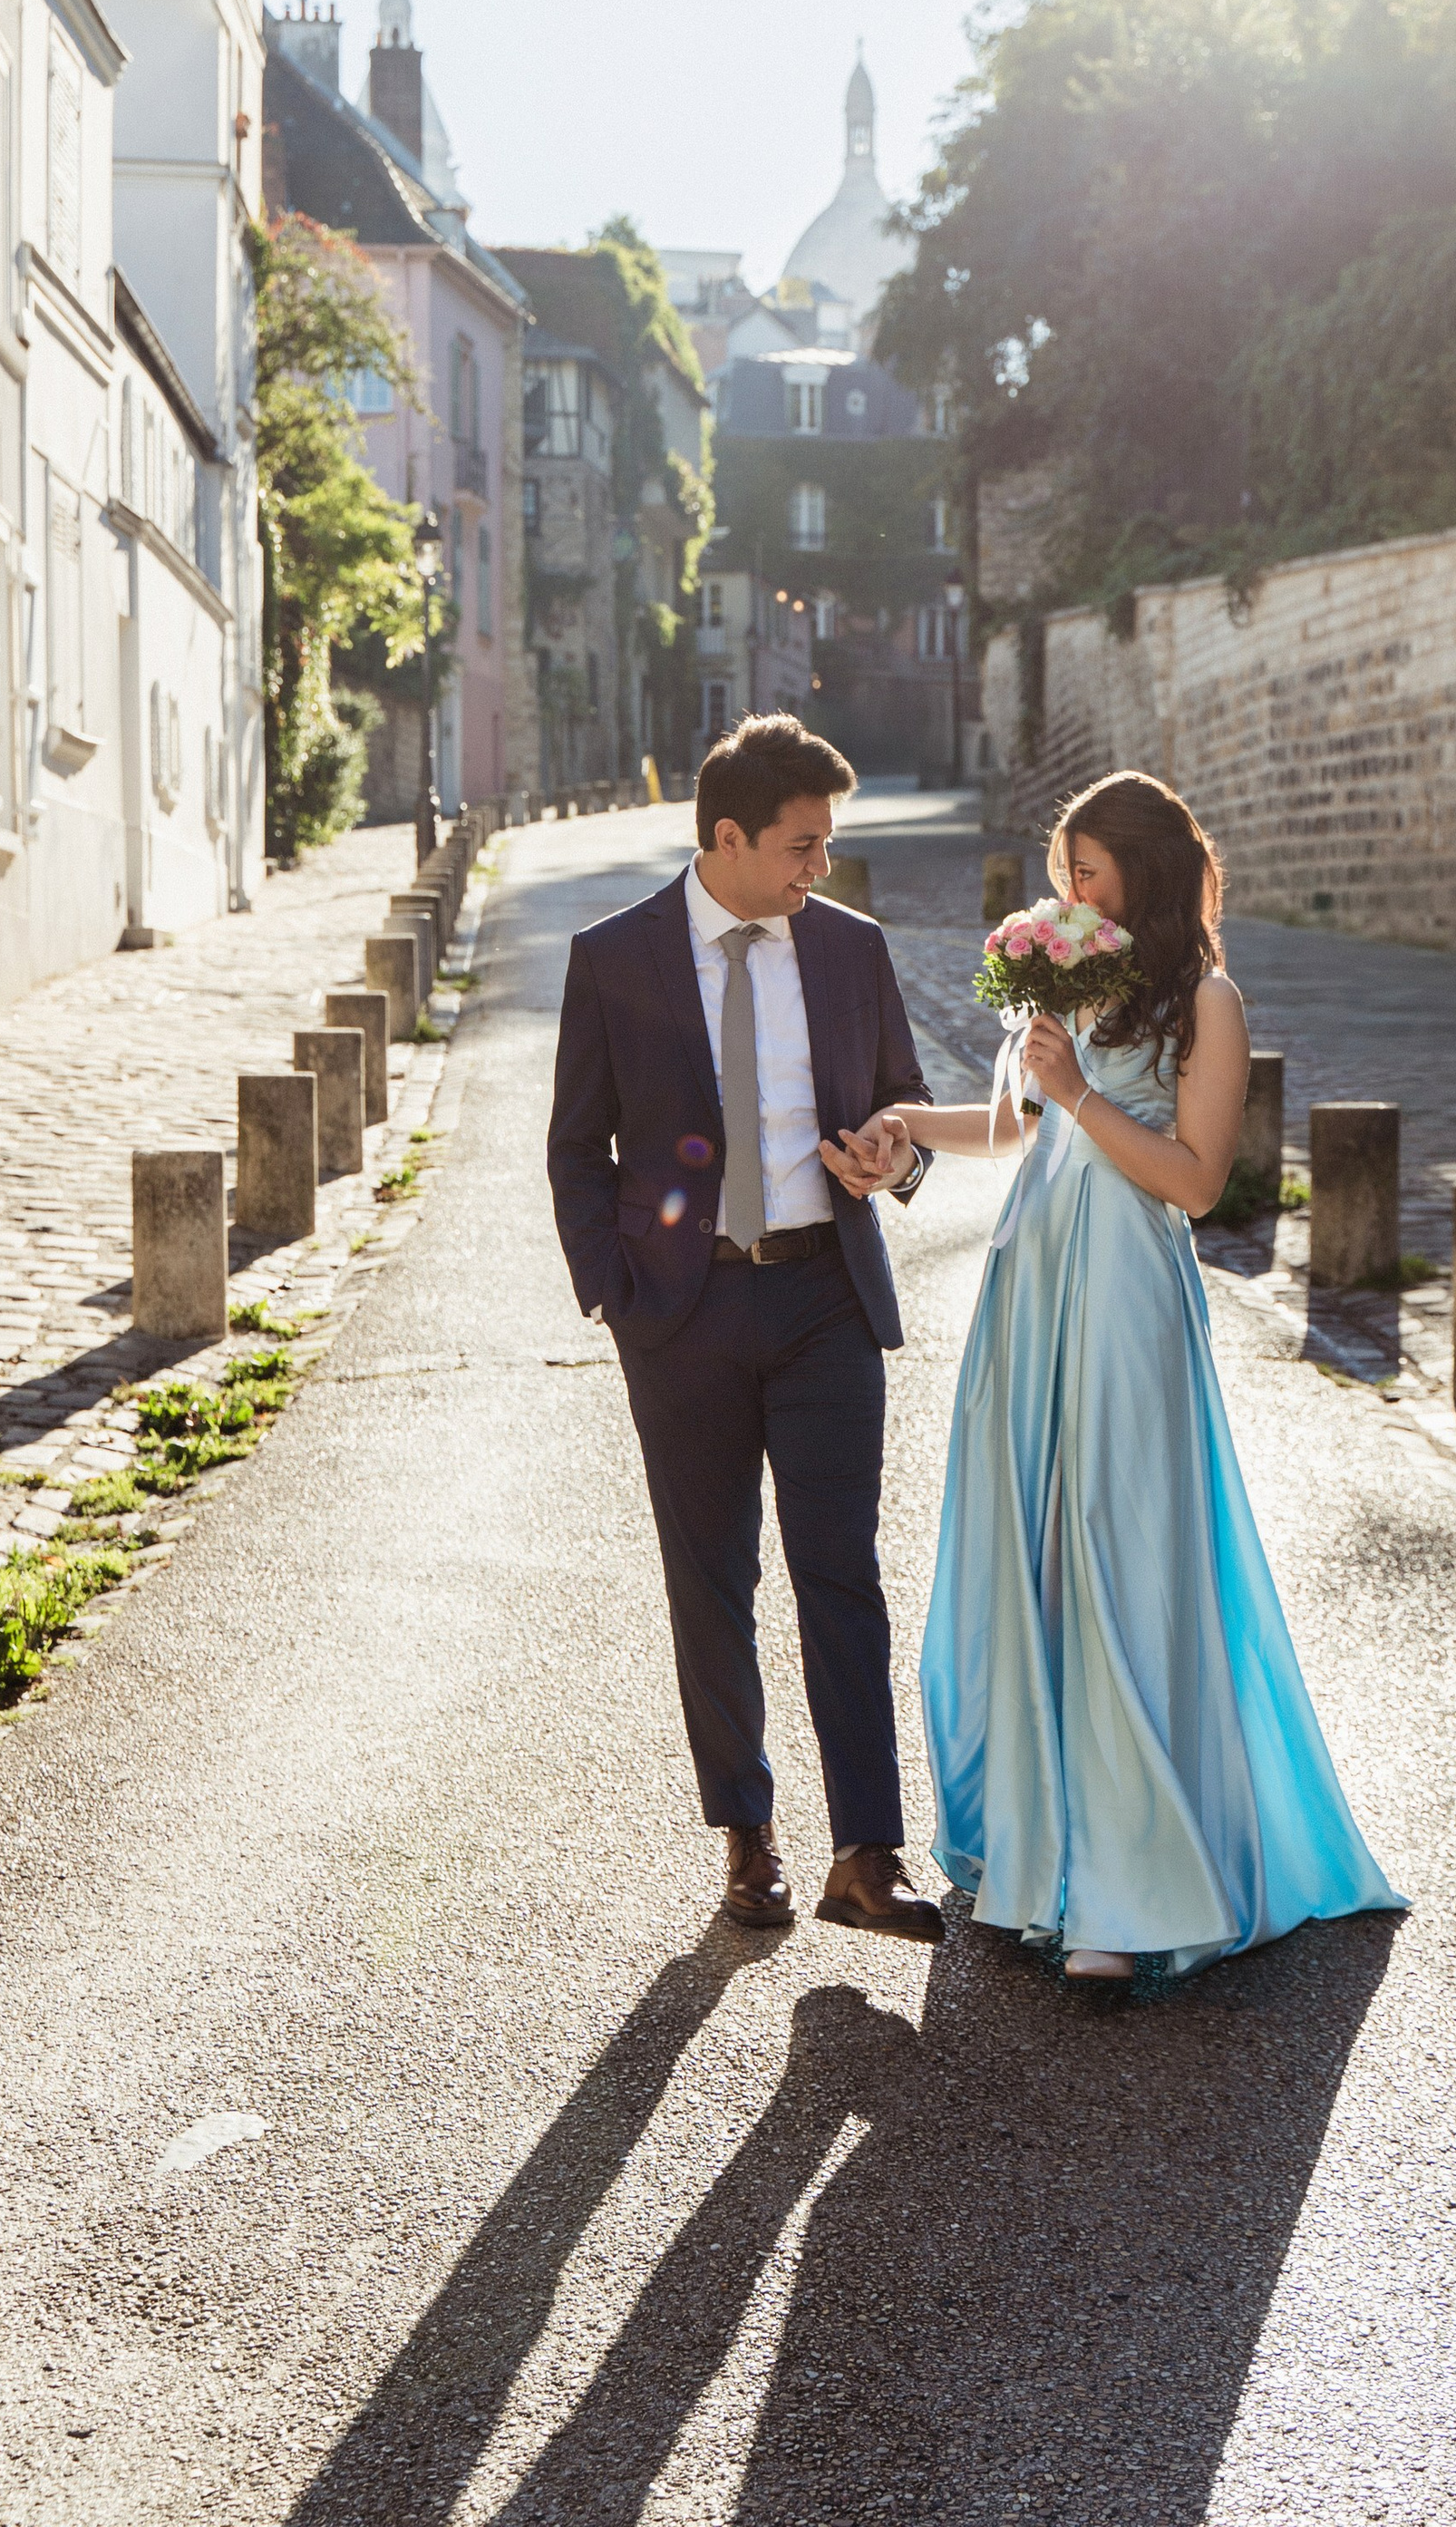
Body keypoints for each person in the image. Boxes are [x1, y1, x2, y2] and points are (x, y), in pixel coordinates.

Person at [891, 769, 1403, 1982]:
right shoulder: (1078, 981)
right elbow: (1022, 1126)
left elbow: (1192, 1179)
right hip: (1034, 1283)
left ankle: (1129, 1896)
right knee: (1036, 1553)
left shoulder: (1205, 1000)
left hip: (1123, 1291)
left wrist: (1072, 1089)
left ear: (1147, 873)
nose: (1072, 894)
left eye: (1090, 872)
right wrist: (909, 1123)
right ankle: (1045, 1858)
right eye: (1066, 874)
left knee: (1117, 1547)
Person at [548, 712, 946, 1943]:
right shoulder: (614, 957)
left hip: (826, 1294)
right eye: (803, 844)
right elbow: (576, 1146)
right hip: (683, 1313)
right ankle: (749, 1841)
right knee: (710, 1578)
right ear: (729, 837)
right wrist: (616, 1292)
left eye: (828, 845)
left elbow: (907, 1117)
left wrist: (893, 1158)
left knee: (843, 1574)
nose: (820, 866)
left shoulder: (850, 953)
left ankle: (866, 1855)